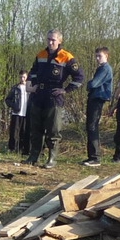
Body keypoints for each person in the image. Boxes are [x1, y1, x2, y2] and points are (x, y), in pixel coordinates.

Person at [24, 29, 84, 169]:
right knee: (36, 128)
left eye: (53, 40)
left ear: (59, 41)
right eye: (48, 39)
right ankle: (34, 156)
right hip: (38, 95)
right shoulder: (41, 54)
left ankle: (52, 158)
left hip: (54, 97)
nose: (50, 42)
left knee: (53, 129)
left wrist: (66, 90)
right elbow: (33, 71)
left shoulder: (66, 57)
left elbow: (79, 77)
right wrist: (31, 83)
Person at [83, 47, 112, 166]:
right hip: (95, 97)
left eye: (99, 56)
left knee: (92, 126)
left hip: (98, 98)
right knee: (90, 126)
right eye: (96, 56)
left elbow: (94, 83)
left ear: (106, 56)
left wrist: (89, 84)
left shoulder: (105, 68)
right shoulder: (101, 68)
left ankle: (95, 157)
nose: (97, 58)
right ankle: (91, 156)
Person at [5, 70, 31, 154]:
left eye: (24, 77)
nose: (22, 79)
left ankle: (23, 150)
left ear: (27, 77)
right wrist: (14, 106)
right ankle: (12, 149)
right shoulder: (15, 88)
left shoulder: (30, 88)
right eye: (21, 77)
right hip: (16, 113)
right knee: (14, 133)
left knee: (24, 132)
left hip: (26, 114)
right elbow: (7, 100)